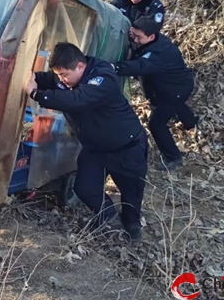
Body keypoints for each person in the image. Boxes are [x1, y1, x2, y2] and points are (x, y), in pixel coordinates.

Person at [24, 42, 148, 242]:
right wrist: (32, 78)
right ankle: (106, 214)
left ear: (80, 67)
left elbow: (77, 100)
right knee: (85, 187)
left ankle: (132, 230)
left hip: (126, 147)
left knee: (131, 196)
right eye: (59, 75)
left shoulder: (102, 77)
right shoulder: (64, 78)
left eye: (65, 75)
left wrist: (36, 94)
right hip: (96, 148)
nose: (62, 80)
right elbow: (48, 79)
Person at [115, 16, 197, 171]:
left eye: (139, 37)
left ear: (151, 36)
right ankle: (191, 123)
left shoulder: (160, 52)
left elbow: (140, 66)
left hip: (175, 90)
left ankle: (173, 157)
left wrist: (114, 68)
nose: (136, 40)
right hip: (169, 88)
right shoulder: (152, 40)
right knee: (175, 106)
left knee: (156, 123)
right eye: (135, 36)